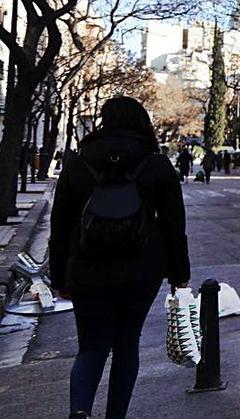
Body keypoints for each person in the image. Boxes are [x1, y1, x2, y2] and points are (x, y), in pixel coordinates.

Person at [49, 96, 190, 419]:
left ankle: (80, 411)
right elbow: (173, 225)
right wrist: (179, 274)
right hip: (142, 268)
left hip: (87, 267)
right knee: (127, 343)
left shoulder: (77, 163)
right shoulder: (156, 164)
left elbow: (60, 226)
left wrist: (60, 278)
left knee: (91, 346)